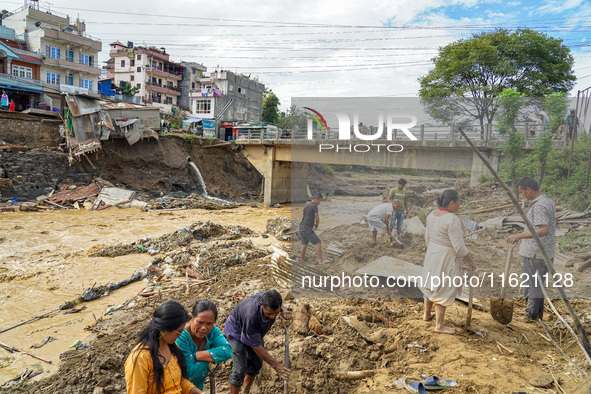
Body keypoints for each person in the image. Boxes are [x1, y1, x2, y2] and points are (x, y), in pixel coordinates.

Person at [419, 189, 476, 335]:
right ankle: (439, 326)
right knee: (443, 288)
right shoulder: (452, 219)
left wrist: (432, 250)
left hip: (432, 253)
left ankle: (426, 315)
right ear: (451, 203)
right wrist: (471, 261)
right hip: (446, 257)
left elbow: (427, 237)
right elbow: (459, 247)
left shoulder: (432, 215)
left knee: (430, 284)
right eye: (458, 202)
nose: (459, 204)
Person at [124, 300, 202, 393]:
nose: (180, 335)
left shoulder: (172, 347)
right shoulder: (140, 359)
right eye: (179, 331)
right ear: (164, 329)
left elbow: (177, 382)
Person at [506, 177, 556, 322]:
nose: (522, 195)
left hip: (534, 252)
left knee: (532, 284)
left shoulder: (539, 205)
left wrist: (518, 236)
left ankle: (531, 315)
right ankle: (537, 315)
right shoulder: (547, 201)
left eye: (522, 192)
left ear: (529, 190)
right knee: (538, 284)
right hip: (545, 252)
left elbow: (543, 230)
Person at [224, 290, 291, 394]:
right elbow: (255, 346)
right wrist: (275, 365)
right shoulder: (252, 314)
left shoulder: (269, 297)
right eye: (269, 313)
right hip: (236, 329)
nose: (273, 317)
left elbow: (277, 300)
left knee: (256, 363)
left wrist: (283, 309)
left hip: (253, 332)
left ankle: (245, 392)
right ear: (261, 305)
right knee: (239, 370)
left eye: (276, 313)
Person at [176, 300, 232, 392]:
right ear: (191, 318)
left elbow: (228, 350)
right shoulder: (181, 336)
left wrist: (197, 356)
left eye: (209, 323)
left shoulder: (212, 331)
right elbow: (188, 373)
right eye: (200, 322)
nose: (204, 328)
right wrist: (207, 361)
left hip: (197, 388)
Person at [299, 194, 325, 264]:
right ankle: (321, 260)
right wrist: (317, 225)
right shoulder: (314, 206)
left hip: (302, 227)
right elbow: (317, 217)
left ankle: (301, 260)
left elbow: (305, 216)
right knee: (318, 243)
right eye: (320, 201)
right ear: (317, 199)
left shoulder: (307, 205)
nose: (320, 203)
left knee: (304, 244)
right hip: (307, 228)